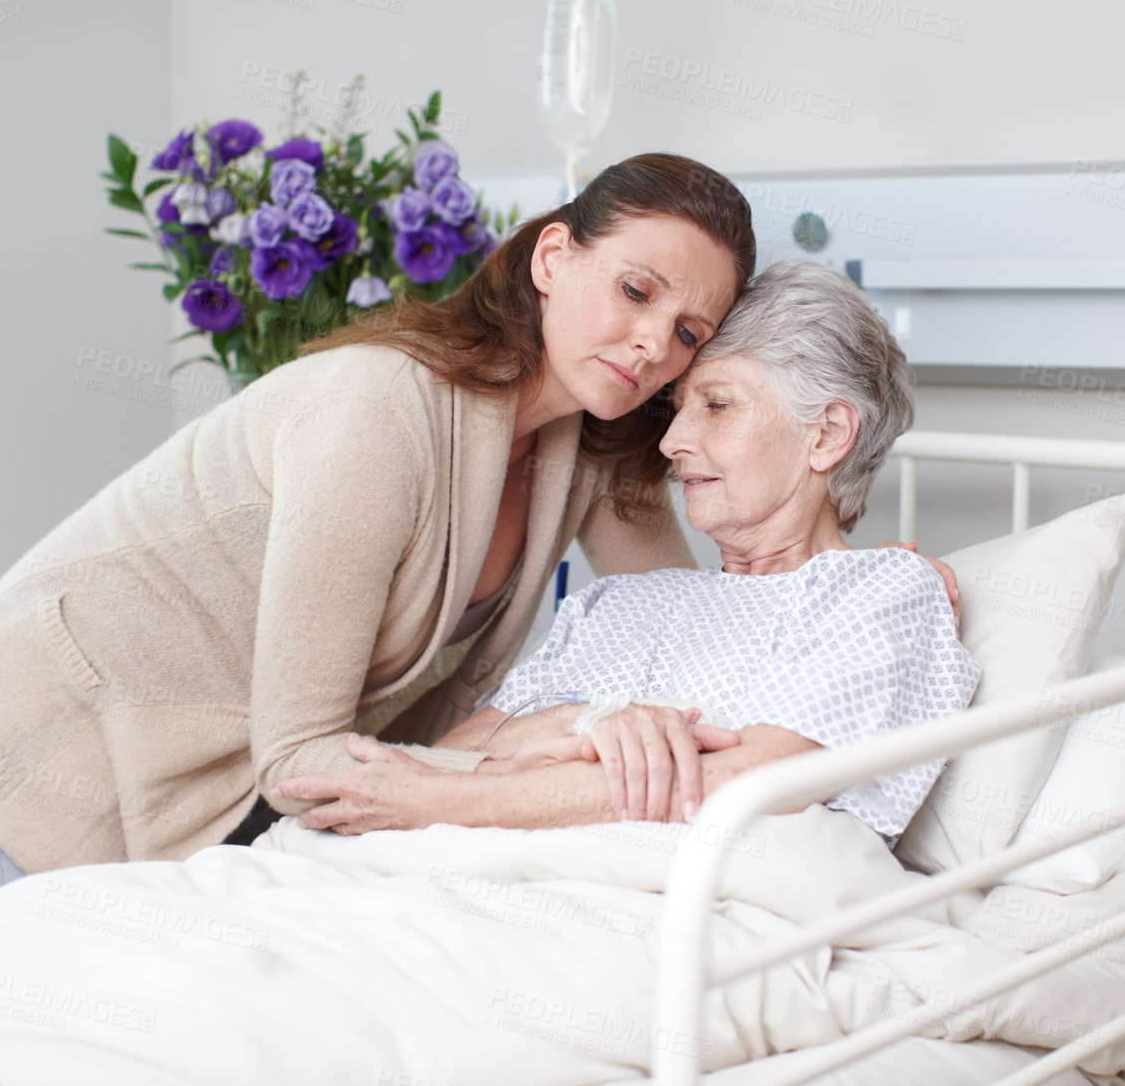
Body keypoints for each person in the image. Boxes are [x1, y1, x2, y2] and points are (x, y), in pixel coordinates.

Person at [0, 154, 755, 912]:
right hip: (56, 730)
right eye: (637, 292)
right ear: (552, 259)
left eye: (689, 333)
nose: (654, 343)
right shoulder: (377, 415)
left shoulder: (594, 446)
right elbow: (299, 762)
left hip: (224, 776)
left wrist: (849, 587)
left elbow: (694, 638)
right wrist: (535, 757)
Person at [273, 259, 978, 844]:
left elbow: (752, 785)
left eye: (719, 405)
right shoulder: (624, 601)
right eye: (676, 410)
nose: (671, 444)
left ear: (826, 435)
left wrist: (462, 799)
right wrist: (576, 728)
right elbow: (447, 755)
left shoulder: (880, 593)